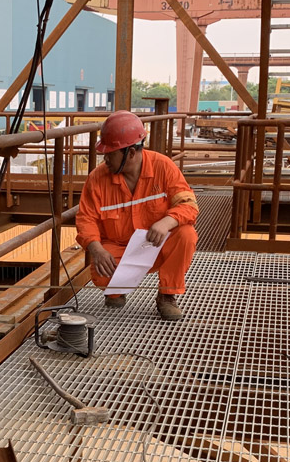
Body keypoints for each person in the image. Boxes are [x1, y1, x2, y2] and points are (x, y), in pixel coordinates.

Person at [75, 110, 199, 319]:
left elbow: (189, 204)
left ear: (131, 153)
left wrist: (167, 222)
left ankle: (167, 295)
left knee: (186, 234)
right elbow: (86, 219)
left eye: (110, 153)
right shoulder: (97, 179)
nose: (105, 158)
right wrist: (97, 250)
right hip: (119, 247)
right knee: (101, 273)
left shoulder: (163, 167)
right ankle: (116, 290)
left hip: (156, 245)